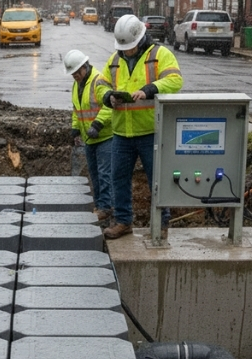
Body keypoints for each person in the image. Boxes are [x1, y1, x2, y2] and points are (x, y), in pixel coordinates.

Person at [100, 14, 183, 239]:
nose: (126, 51)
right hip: (122, 132)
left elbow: (175, 80)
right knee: (119, 178)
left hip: (150, 131)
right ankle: (124, 221)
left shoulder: (159, 55)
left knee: (156, 179)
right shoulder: (114, 60)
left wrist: (150, 89)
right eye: (123, 48)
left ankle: (162, 224)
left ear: (140, 39)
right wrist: (108, 97)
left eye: (130, 47)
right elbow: (101, 84)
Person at [63, 49, 114, 221]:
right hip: (89, 138)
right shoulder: (77, 85)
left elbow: (110, 106)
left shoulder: (98, 81)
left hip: (105, 137)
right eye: (72, 74)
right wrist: (75, 128)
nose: (75, 76)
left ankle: (106, 207)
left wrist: (98, 124)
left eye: (77, 72)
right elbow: (77, 109)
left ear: (85, 67)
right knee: (94, 174)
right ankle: (100, 206)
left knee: (104, 174)